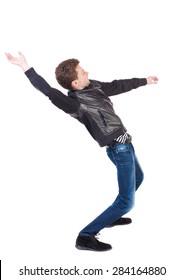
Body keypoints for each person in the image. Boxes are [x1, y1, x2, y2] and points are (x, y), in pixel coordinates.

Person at [5, 52, 158, 251]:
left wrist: (144, 81)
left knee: (139, 177)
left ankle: (111, 216)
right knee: (126, 203)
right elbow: (48, 91)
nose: (87, 72)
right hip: (119, 150)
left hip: (126, 145)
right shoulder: (73, 104)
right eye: (83, 72)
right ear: (75, 83)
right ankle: (86, 236)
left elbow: (117, 85)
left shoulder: (94, 86)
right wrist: (25, 66)